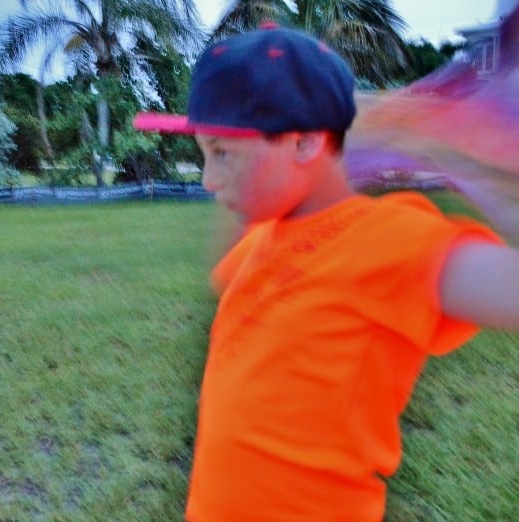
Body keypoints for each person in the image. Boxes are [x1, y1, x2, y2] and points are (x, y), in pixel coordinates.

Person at [133, 26, 519, 521]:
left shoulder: (387, 240)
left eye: (223, 152)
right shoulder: (268, 236)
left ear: (304, 144)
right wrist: (353, 137)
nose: (208, 180)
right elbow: (223, 268)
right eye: (205, 153)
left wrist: (463, 153)